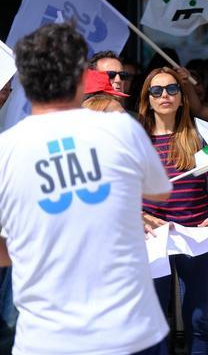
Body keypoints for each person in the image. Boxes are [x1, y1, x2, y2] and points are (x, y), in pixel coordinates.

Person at [0, 22, 172, 354]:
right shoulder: (122, 129)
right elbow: (159, 191)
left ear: (24, 81)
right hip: (124, 332)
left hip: (44, 338)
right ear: (83, 78)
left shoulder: (6, 150)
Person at [139, 67, 208, 355]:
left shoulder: (198, 135)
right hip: (153, 237)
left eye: (172, 89)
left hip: (196, 234)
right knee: (155, 319)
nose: (164, 95)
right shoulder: (136, 140)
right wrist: (139, 216)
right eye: (157, 90)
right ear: (148, 99)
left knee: (199, 318)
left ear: (181, 97)